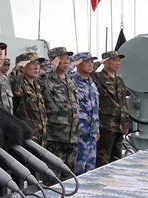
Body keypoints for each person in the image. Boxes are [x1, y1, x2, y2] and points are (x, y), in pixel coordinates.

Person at [40, 47, 79, 176]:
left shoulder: (70, 80)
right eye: (62, 58)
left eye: (67, 58)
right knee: (52, 178)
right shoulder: (46, 79)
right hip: (54, 137)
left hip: (72, 136)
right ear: (54, 60)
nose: (66, 61)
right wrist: (51, 65)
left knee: (69, 176)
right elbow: (38, 76)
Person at [92, 50, 130, 167]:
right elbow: (86, 72)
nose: (117, 63)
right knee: (102, 160)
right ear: (106, 62)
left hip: (119, 126)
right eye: (114, 60)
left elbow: (123, 103)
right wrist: (99, 62)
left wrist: (126, 123)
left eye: (119, 61)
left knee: (116, 160)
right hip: (105, 126)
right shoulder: (98, 77)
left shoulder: (120, 81)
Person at [70, 52, 100, 174]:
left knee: (90, 168)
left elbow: (95, 107)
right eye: (86, 62)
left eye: (91, 62)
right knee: (78, 168)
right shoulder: (72, 80)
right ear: (78, 64)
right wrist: (72, 64)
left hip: (92, 132)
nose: (90, 64)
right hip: (79, 132)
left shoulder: (91, 82)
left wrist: (97, 129)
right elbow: (56, 75)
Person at [9, 52, 48, 145]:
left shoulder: (36, 85)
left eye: (38, 64)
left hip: (41, 138)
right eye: (32, 64)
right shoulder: (18, 84)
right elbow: (13, 85)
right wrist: (18, 67)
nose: (37, 67)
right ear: (22, 66)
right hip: (27, 139)